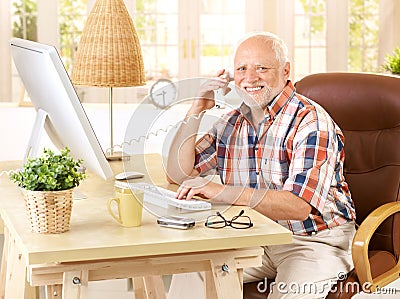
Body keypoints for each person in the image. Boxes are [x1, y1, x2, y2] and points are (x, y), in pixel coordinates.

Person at [166, 32, 356, 298]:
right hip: (255, 235)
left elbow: (298, 206)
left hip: (314, 241)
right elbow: (178, 172)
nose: (250, 78)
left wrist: (218, 191)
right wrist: (198, 107)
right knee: (191, 270)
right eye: (242, 69)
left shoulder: (311, 121)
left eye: (261, 68)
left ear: (286, 71)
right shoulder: (232, 122)